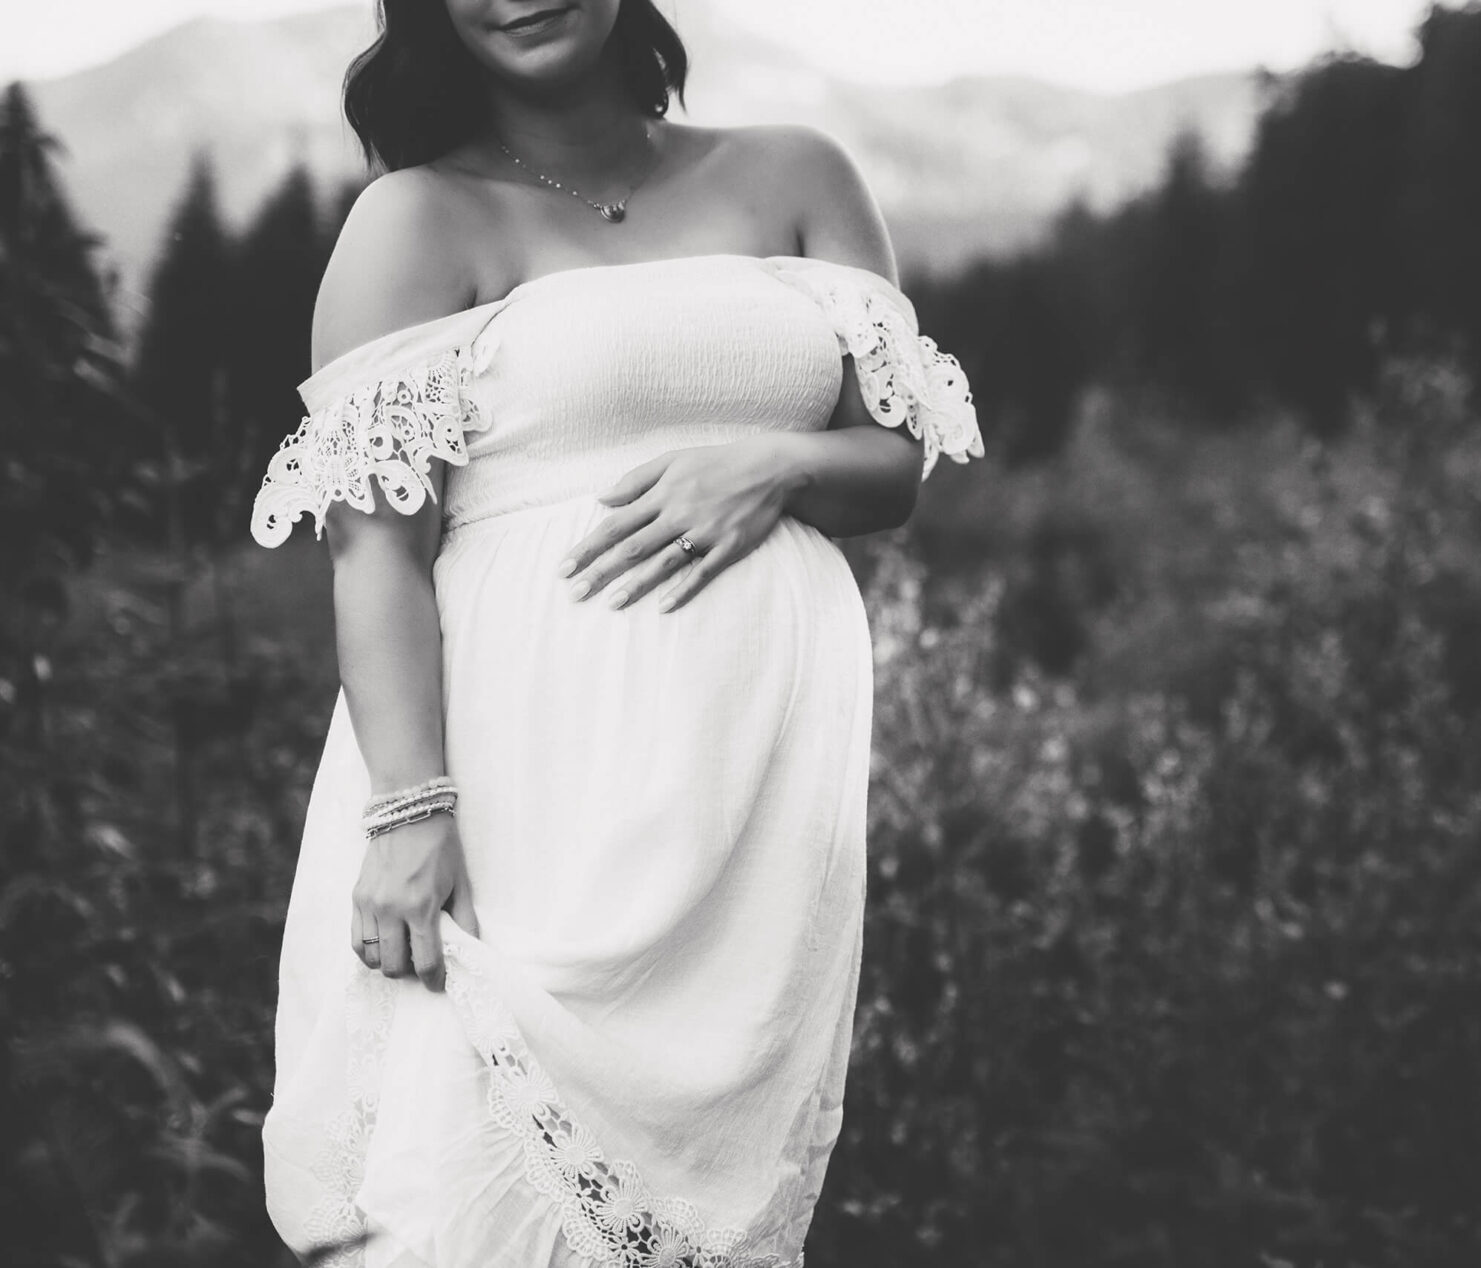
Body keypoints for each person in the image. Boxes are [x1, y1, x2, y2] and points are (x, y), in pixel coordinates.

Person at [246, 2, 982, 1265]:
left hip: (742, 811)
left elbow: (890, 468)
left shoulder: (799, 173)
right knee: (457, 1189)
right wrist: (409, 811)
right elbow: (375, 553)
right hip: (512, 788)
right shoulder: (418, 217)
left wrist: (773, 462)